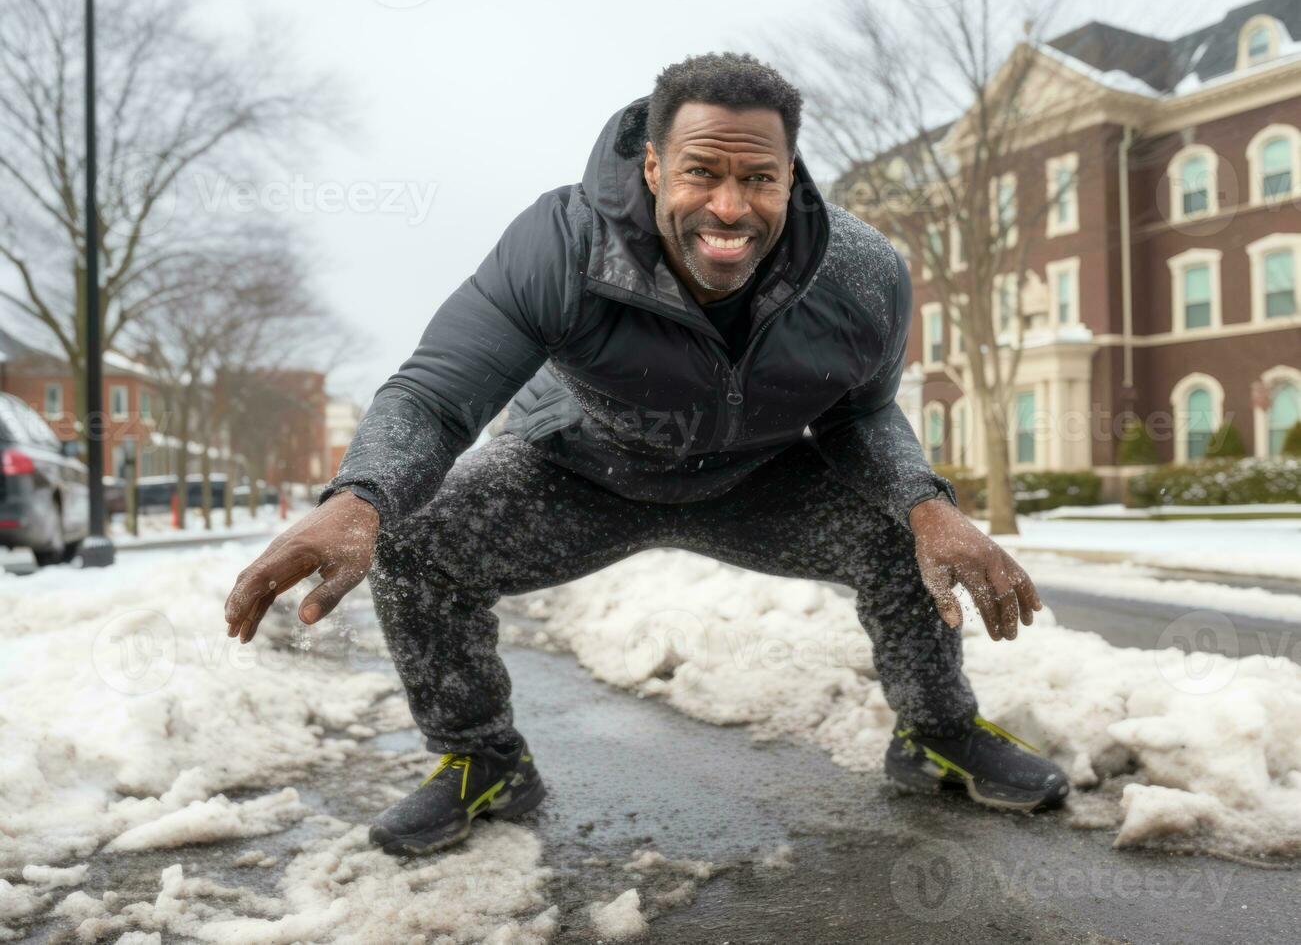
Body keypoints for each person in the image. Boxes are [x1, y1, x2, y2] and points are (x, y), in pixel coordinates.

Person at [224, 52, 1069, 857]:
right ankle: (485, 760)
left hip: (755, 479)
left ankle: (937, 734)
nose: (731, 208)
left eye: (758, 178)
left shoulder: (859, 274)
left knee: (904, 529)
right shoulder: (561, 242)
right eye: (703, 171)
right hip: (580, 472)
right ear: (655, 166)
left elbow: (862, 416)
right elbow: (438, 393)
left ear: (788, 173)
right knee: (415, 540)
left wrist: (930, 506)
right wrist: (359, 497)